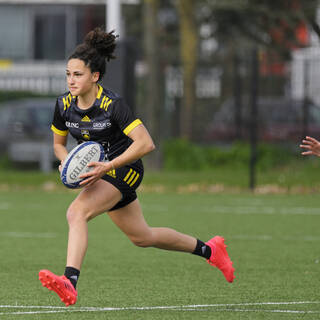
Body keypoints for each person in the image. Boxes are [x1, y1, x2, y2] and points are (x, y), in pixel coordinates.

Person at [38, 27, 235, 307]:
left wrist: (109, 166)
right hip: (100, 174)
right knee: (142, 237)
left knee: (76, 212)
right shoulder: (63, 105)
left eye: (78, 74)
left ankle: (70, 281)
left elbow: (145, 143)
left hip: (124, 167)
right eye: (68, 74)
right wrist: (64, 161)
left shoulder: (112, 105)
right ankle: (211, 250)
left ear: (95, 76)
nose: (71, 80)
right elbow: (58, 144)